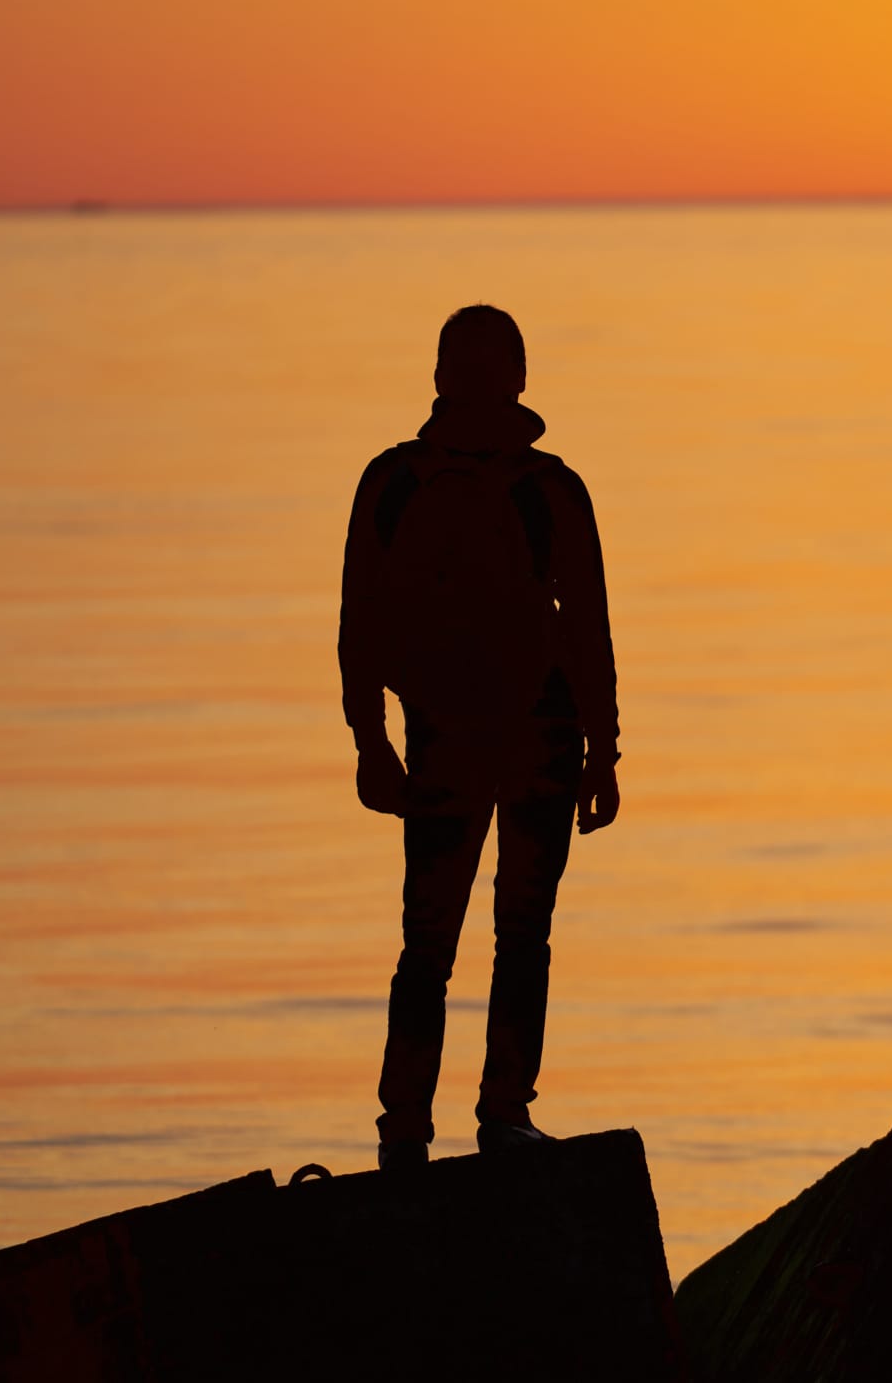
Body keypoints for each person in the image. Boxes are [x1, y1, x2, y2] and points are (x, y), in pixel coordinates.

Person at [338, 305, 620, 1171]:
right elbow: (588, 629)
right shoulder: (552, 488)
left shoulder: (390, 482)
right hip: (540, 736)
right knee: (521, 934)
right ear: (519, 380)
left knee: (426, 943)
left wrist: (370, 738)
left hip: (441, 737)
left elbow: (359, 620)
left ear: (439, 379)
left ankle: (403, 1134)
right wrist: (603, 750)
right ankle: (504, 1115)